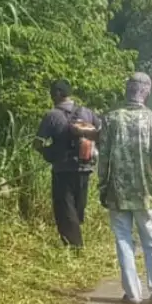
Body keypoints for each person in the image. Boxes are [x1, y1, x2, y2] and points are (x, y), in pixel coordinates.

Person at [84, 73, 152, 304]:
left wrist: (102, 185)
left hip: (117, 193)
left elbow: (104, 157)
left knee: (123, 240)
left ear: (126, 91)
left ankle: (132, 293)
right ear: (147, 92)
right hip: (144, 193)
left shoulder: (111, 119)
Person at [35, 80, 100, 248]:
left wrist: (47, 153)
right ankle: (76, 238)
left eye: (51, 93)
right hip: (85, 168)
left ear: (57, 93)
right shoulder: (87, 112)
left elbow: (38, 143)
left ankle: (75, 246)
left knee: (65, 208)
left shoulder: (52, 116)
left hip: (62, 169)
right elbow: (101, 134)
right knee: (78, 207)